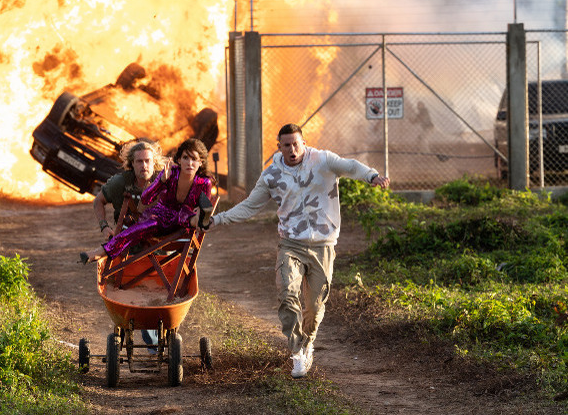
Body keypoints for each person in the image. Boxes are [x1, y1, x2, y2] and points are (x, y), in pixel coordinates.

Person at [204, 124, 390, 379]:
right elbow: (249, 206)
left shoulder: (323, 160)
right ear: (278, 147)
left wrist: (371, 176)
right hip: (290, 244)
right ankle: (297, 353)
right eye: (286, 145)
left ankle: (308, 341)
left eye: (296, 144)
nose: (292, 150)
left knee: (314, 307)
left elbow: (351, 166)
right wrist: (218, 219)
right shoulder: (271, 175)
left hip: (323, 245)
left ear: (303, 143)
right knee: (287, 295)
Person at [80, 138, 214, 264]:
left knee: (186, 212)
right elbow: (145, 199)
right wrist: (162, 181)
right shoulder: (168, 173)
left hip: (180, 225)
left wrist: (201, 214)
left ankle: (200, 220)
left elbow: (203, 204)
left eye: (194, 159)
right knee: (137, 228)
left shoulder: (204, 183)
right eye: (186, 158)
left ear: (201, 162)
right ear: (179, 159)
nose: (190, 163)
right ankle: (99, 252)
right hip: (158, 219)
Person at [92, 140, 162, 353]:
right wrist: (105, 227)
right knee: (130, 291)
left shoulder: (163, 181)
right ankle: (146, 335)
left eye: (148, 161)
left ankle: (154, 335)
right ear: (132, 164)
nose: (144, 166)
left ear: (154, 162)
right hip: (127, 246)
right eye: (139, 161)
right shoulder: (121, 183)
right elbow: (98, 201)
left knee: (157, 289)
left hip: (157, 246)